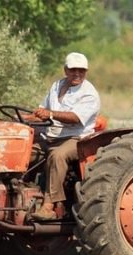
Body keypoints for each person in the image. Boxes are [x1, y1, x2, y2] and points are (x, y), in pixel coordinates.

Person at [28, 52, 101, 220]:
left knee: (57, 155)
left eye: (81, 70)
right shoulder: (56, 86)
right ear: (66, 70)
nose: (77, 74)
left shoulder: (89, 94)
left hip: (77, 139)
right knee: (25, 151)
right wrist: (20, 119)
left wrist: (50, 114)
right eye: (73, 70)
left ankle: (49, 205)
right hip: (51, 136)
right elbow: (42, 111)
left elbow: (75, 118)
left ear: (86, 72)